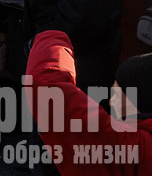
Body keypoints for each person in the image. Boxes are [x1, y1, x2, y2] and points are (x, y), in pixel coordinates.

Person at [26, 30, 152, 176]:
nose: (111, 102)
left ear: (138, 102)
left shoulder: (131, 148)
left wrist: (52, 38)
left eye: (117, 95)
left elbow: (49, 88)